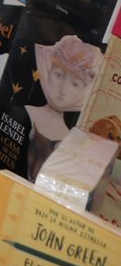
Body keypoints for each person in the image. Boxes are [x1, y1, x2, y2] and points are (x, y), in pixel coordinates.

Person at [26, 35, 102, 179]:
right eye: (59, 75)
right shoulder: (26, 112)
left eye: (75, 84)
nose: (63, 89)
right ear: (48, 71)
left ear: (84, 89)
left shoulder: (73, 136)